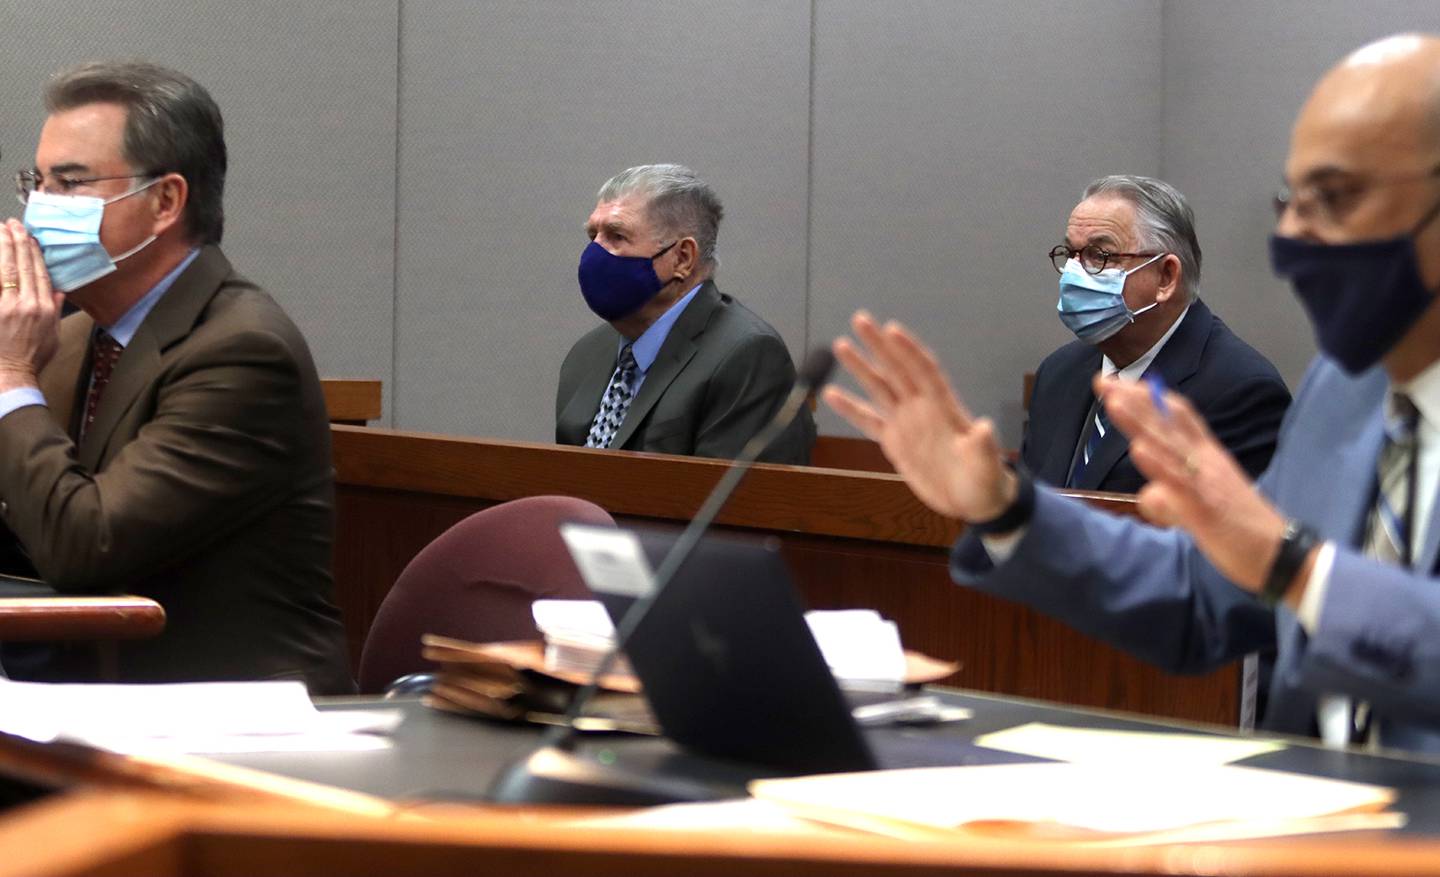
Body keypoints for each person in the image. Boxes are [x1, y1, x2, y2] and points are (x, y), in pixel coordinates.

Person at [824, 33, 1440, 753]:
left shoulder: (1262, 386)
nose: (1294, 231)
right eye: (1290, 199)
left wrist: (1294, 567)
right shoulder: (1347, 389)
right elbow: (1204, 596)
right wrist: (1005, 505)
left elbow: (1280, 569)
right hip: (1321, 817)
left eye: (1333, 196)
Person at [0, 61, 352, 693]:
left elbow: (85, 545)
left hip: (232, 724)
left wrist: (10, 373)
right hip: (93, 693)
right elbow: (22, 517)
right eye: (38, 183)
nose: (39, 211)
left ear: (164, 201)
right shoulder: (76, 334)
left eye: (71, 183)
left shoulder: (240, 350)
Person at [1028, 175, 1289, 492]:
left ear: (1166, 276)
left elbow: (1225, 537)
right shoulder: (1058, 372)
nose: (1073, 273)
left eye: (1100, 255)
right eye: (1070, 254)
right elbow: (1029, 510)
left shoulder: (1242, 393)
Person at [556, 164, 814, 463]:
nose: (594, 254)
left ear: (682, 258)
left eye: (616, 235)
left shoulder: (747, 356)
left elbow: (733, 501)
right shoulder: (587, 353)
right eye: (593, 236)